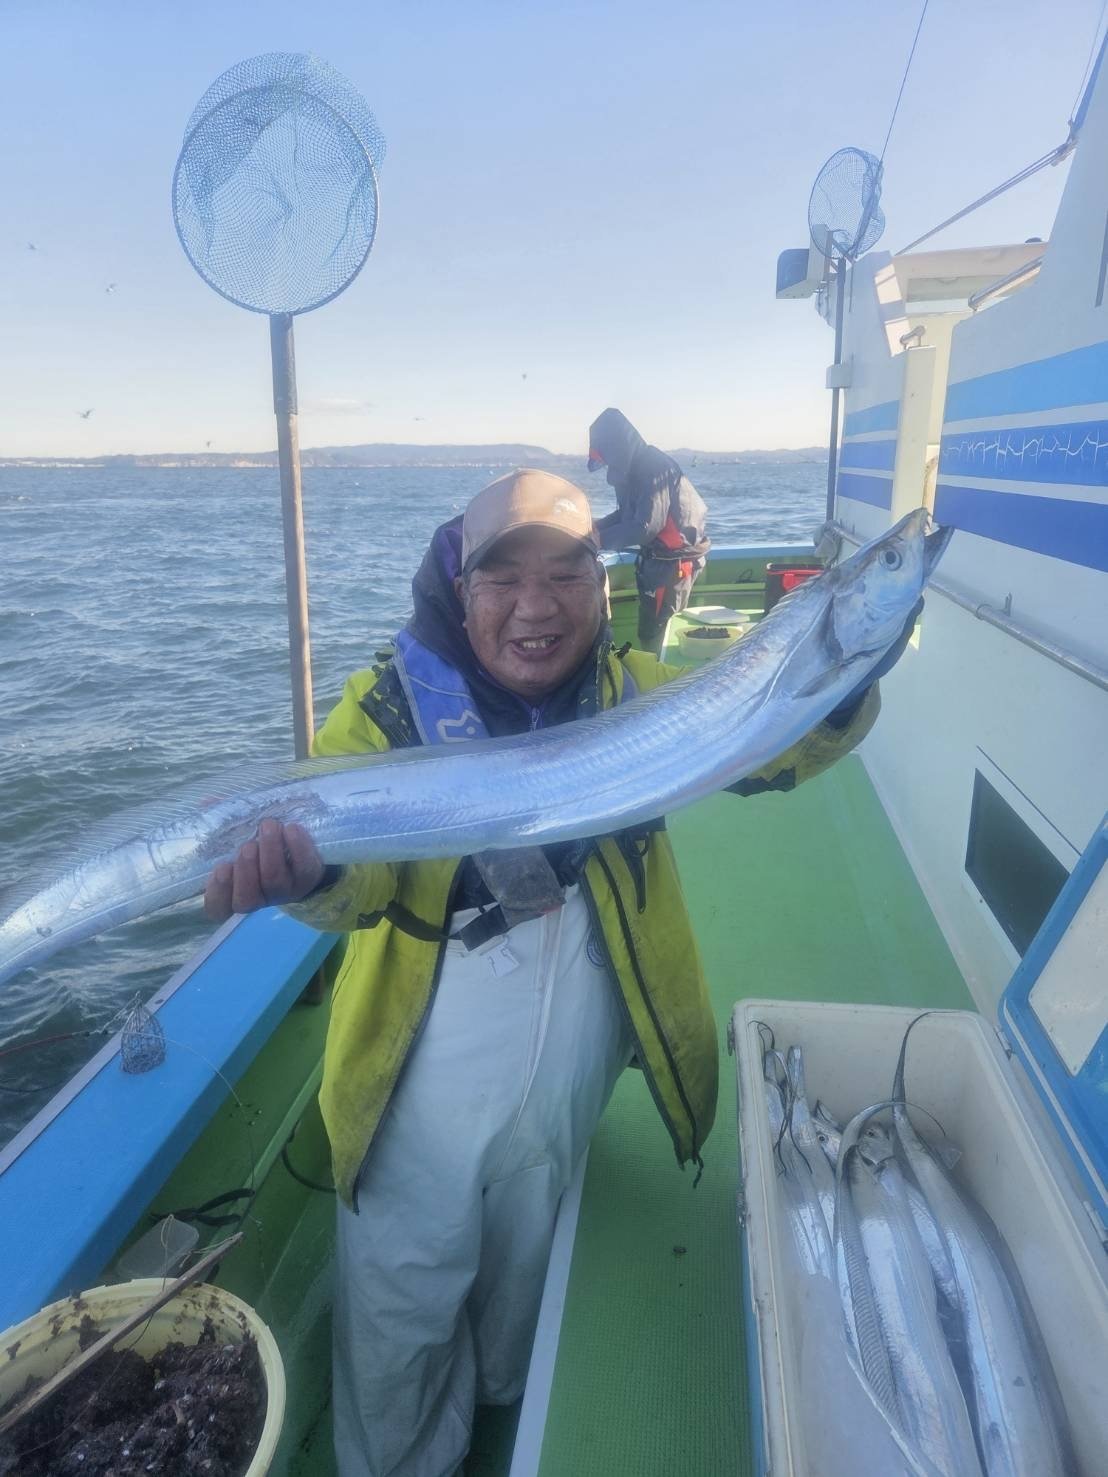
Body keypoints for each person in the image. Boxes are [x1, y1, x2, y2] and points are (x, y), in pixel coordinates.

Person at [203, 468, 911, 1477]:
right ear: (461, 590)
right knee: (405, 1296)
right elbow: (352, 893)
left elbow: (780, 749)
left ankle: (499, 1399)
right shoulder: (386, 710)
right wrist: (305, 877)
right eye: (503, 579)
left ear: (601, 584)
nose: (536, 607)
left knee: (526, 1256)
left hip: (572, 1050)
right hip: (424, 1069)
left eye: (566, 575)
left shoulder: (634, 689)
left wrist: (849, 671)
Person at [586, 407, 710, 654]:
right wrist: (591, 528)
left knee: (660, 632)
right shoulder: (630, 469)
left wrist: (598, 540)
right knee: (649, 628)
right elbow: (625, 515)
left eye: (606, 457)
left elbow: (645, 527)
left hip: (672, 565)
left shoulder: (653, 466)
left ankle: (662, 676)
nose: (606, 464)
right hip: (654, 561)